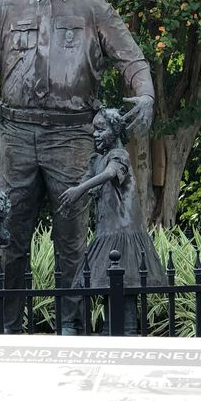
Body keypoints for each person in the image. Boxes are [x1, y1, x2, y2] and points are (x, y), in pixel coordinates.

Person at [0, 0, 155, 334]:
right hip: (16, 134)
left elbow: (133, 60)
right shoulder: (6, 9)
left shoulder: (93, 10)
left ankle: (71, 326)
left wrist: (146, 95)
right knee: (10, 234)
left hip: (72, 136)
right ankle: (8, 326)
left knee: (71, 239)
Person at [59, 107, 167, 335]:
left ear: (115, 130)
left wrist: (78, 190)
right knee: (109, 283)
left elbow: (110, 173)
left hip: (123, 233)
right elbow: (87, 179)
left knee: (123, 285)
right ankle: (111, 329)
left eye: (101, 129)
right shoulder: (97, 159)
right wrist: (71, 198)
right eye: (94, 131)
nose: (96, 135)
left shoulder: (120, 155)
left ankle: (124, 331)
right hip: (106, 233)